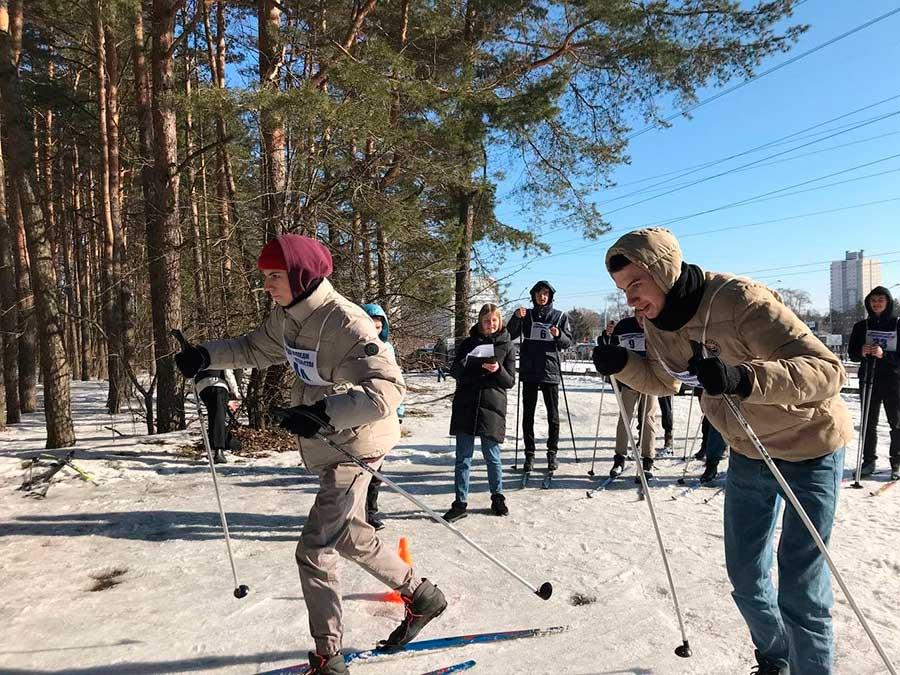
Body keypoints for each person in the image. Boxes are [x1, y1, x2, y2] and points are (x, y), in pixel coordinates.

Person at [174, 234, 446, 675]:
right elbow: (251, 348)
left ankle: (328, 657)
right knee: (349, 536)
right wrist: (206, 354)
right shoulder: (287, 318)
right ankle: (423, 596)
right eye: (264, 277)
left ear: (300, 275)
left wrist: (323, 414)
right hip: (332, 441)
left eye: (275, 277)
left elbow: (388, 390)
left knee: (315, 548)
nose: (267, 285)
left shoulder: (347, 322)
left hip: (358, 442)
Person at [593, 227, 851, 675]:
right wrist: (626, 366)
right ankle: (777, 660)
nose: (630, 299)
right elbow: (667, 381)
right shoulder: (657, 321)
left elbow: (826, 372)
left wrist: (743, 378)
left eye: (636, 284)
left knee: (800, 588)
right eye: (622, 290)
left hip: (810, 445)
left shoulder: (741, 301)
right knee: (747, 578)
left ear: (663, 271)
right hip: (749, 450)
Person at [443, 304, 516, 522]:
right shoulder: (468, 343)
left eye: (494, 320)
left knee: (492, 456)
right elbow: (454, 371)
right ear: (480, 321)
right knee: (463, 457)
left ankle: (497, 497)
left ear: (499, 321)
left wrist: (497, 369)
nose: (490, 324)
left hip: (491, 406)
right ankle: (459, 503)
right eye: (486, 320)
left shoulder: (507, 345)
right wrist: (466, 363)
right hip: (467, 403)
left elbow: (510, 381)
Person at [506, 281, 573, 473]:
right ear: (533, 295)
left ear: (550, 296)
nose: (541, 297)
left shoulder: (560, 316)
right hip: (529, 370)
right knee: (528, 415)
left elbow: (567, 342)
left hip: (550, 370)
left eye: (545, 293)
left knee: (553, 416)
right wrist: (516, 318)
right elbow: (510, 334)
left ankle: (552, 453)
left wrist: (558, 334)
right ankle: (529, 454)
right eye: (538, 293)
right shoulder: (527, 314)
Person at [360, 303, 405, 530]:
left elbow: (395, 382)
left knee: (377, 471)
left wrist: (398, 412)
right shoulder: (352, 347)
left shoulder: (387, 349)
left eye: (379, 327)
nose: (375, 331)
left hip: (383, 415)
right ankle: (355, 513)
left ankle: (370, 512)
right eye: (371, 326)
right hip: (360, 414)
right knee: (359, 471)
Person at [848, 285, 900, 480]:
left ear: (887, 303)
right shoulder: (862, 326)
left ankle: (896, 462)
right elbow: (852, 354)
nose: (876, 304)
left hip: (893, 380)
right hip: (868, 379)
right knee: (869, 422)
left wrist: (883, 354)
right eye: (873, 301)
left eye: (880, 300)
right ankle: (868, 461)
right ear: (869, 304)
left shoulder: (897, 324)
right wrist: (861, 351)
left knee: (896, 422)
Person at [608, 310, 657, 481]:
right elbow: (611, 348)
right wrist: (607, 337)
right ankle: (619, 458)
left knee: (648, 419)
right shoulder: (624, 326)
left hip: (651, 380)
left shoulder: (657, 324)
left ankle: (648, 460)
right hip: (629, 380)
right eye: (639, 316)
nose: (643, 320)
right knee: (625, 418)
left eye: (646, 316)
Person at [195, 367, 241, 463]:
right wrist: (235, 392)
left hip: (202, 387)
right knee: (218, 416)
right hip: (218, 384)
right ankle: (218, 450)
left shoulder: (198, 352)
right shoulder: (221, 353)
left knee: (215, 415)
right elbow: (228, 372)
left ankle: (229, 442)